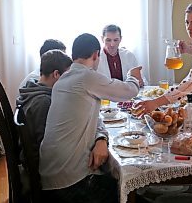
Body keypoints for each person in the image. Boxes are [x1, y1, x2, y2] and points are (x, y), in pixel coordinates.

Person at [39, 33, 142, 203]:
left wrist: (101, 138)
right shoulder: (87, 77)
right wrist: (133, 76)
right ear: (96, 55)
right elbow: (129, 91)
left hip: (50, 176)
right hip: (70, 182)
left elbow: (96, 117)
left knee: (110, 174)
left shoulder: (63, 80)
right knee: (124, 187)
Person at [16, 49, 73, 159]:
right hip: (42, 164)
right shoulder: (43, 101)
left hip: (31, 156)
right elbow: (46, 143)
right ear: (56, 74)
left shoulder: (30, 89)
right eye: (67, 76)